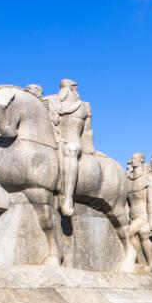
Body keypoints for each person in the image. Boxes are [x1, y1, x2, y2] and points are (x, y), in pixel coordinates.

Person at [46, 79, 93, 217]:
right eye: (75, 88)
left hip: (73, 141)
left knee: (70, 150)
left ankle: (68, 198)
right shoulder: (51, 102)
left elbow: (88, 131)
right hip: (54, 141)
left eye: (75, 89)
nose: (75, 92)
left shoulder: (84, 106)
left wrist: (90, 149)